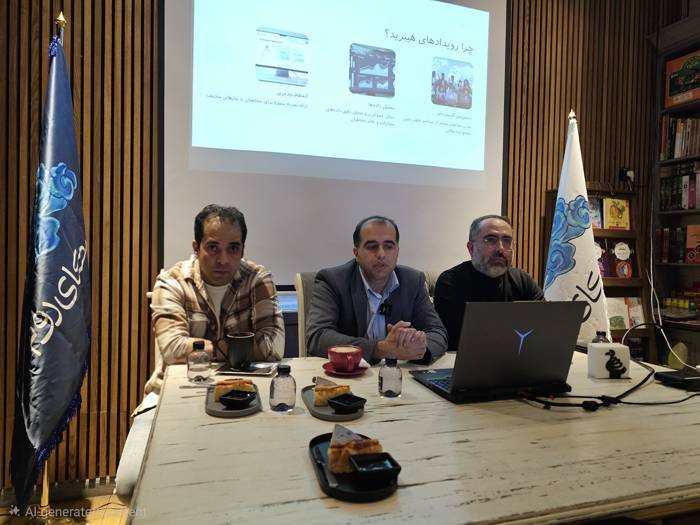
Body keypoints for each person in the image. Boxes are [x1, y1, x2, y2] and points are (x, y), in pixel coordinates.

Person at [144, 204, 284, 394]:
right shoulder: (171, 281)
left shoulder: (257, 280)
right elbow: (172, 349)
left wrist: (198, 349)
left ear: (242, 250)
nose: (223, 260)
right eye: (213, 248)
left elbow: (274, 347)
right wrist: (239, 350)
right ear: (196, 248)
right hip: (174, 390)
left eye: (233, 248)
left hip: (242, 390)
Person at [306, 216, 447, 364]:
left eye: (388, 246)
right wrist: (379, 349)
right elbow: (317, 337)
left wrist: (418, 346)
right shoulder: (332, 280)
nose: (381, 254)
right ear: (356, 253)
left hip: (397, 372)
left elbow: (438, 332)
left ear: (397, 251)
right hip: (349, 372)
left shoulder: (413, 281)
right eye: (372, 246)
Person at [434, 215, 544, 350]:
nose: (500, 249)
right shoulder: (451, 282)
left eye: (507, 241)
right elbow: (449, 340)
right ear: (471, 248)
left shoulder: (522, 280)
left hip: (518, 356)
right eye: (490, 240)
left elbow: (544, 325)